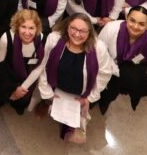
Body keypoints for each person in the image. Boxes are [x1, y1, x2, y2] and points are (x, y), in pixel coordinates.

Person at [36, 13, 113, 142]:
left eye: (82, 31)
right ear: (67, 27)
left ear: (90, 32)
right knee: (50, 108)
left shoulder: (98, 47)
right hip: (56, 88)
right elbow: (43, 66)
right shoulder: (54, 39)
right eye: (73, 28)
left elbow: (104, 74)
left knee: (72, 121)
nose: (77, 34)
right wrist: (48, 93)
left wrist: (89, 98)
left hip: (80, 94)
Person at [96, 7, 147, 112]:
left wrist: (136, 77)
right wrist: (117, 71)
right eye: (132, 20)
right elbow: (99, 51)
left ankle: (104, 104)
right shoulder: (111, 29)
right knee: (98, 88)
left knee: (111, 95)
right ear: (127, 18)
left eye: (141, 24)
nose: (135, 27)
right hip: (107, 68)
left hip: (128, 75)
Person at [0, 9, 48, 114]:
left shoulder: (43, 40)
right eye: (23, 27)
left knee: (22, 101)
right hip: (6, 75)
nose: (27, 32)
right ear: (17, 26)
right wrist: (14, 87)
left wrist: (22, 88)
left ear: (37, 28)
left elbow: (39, 67)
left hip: (28, 76)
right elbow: (0, 67)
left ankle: (18, 104)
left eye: (31, 28)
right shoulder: (7, 38)